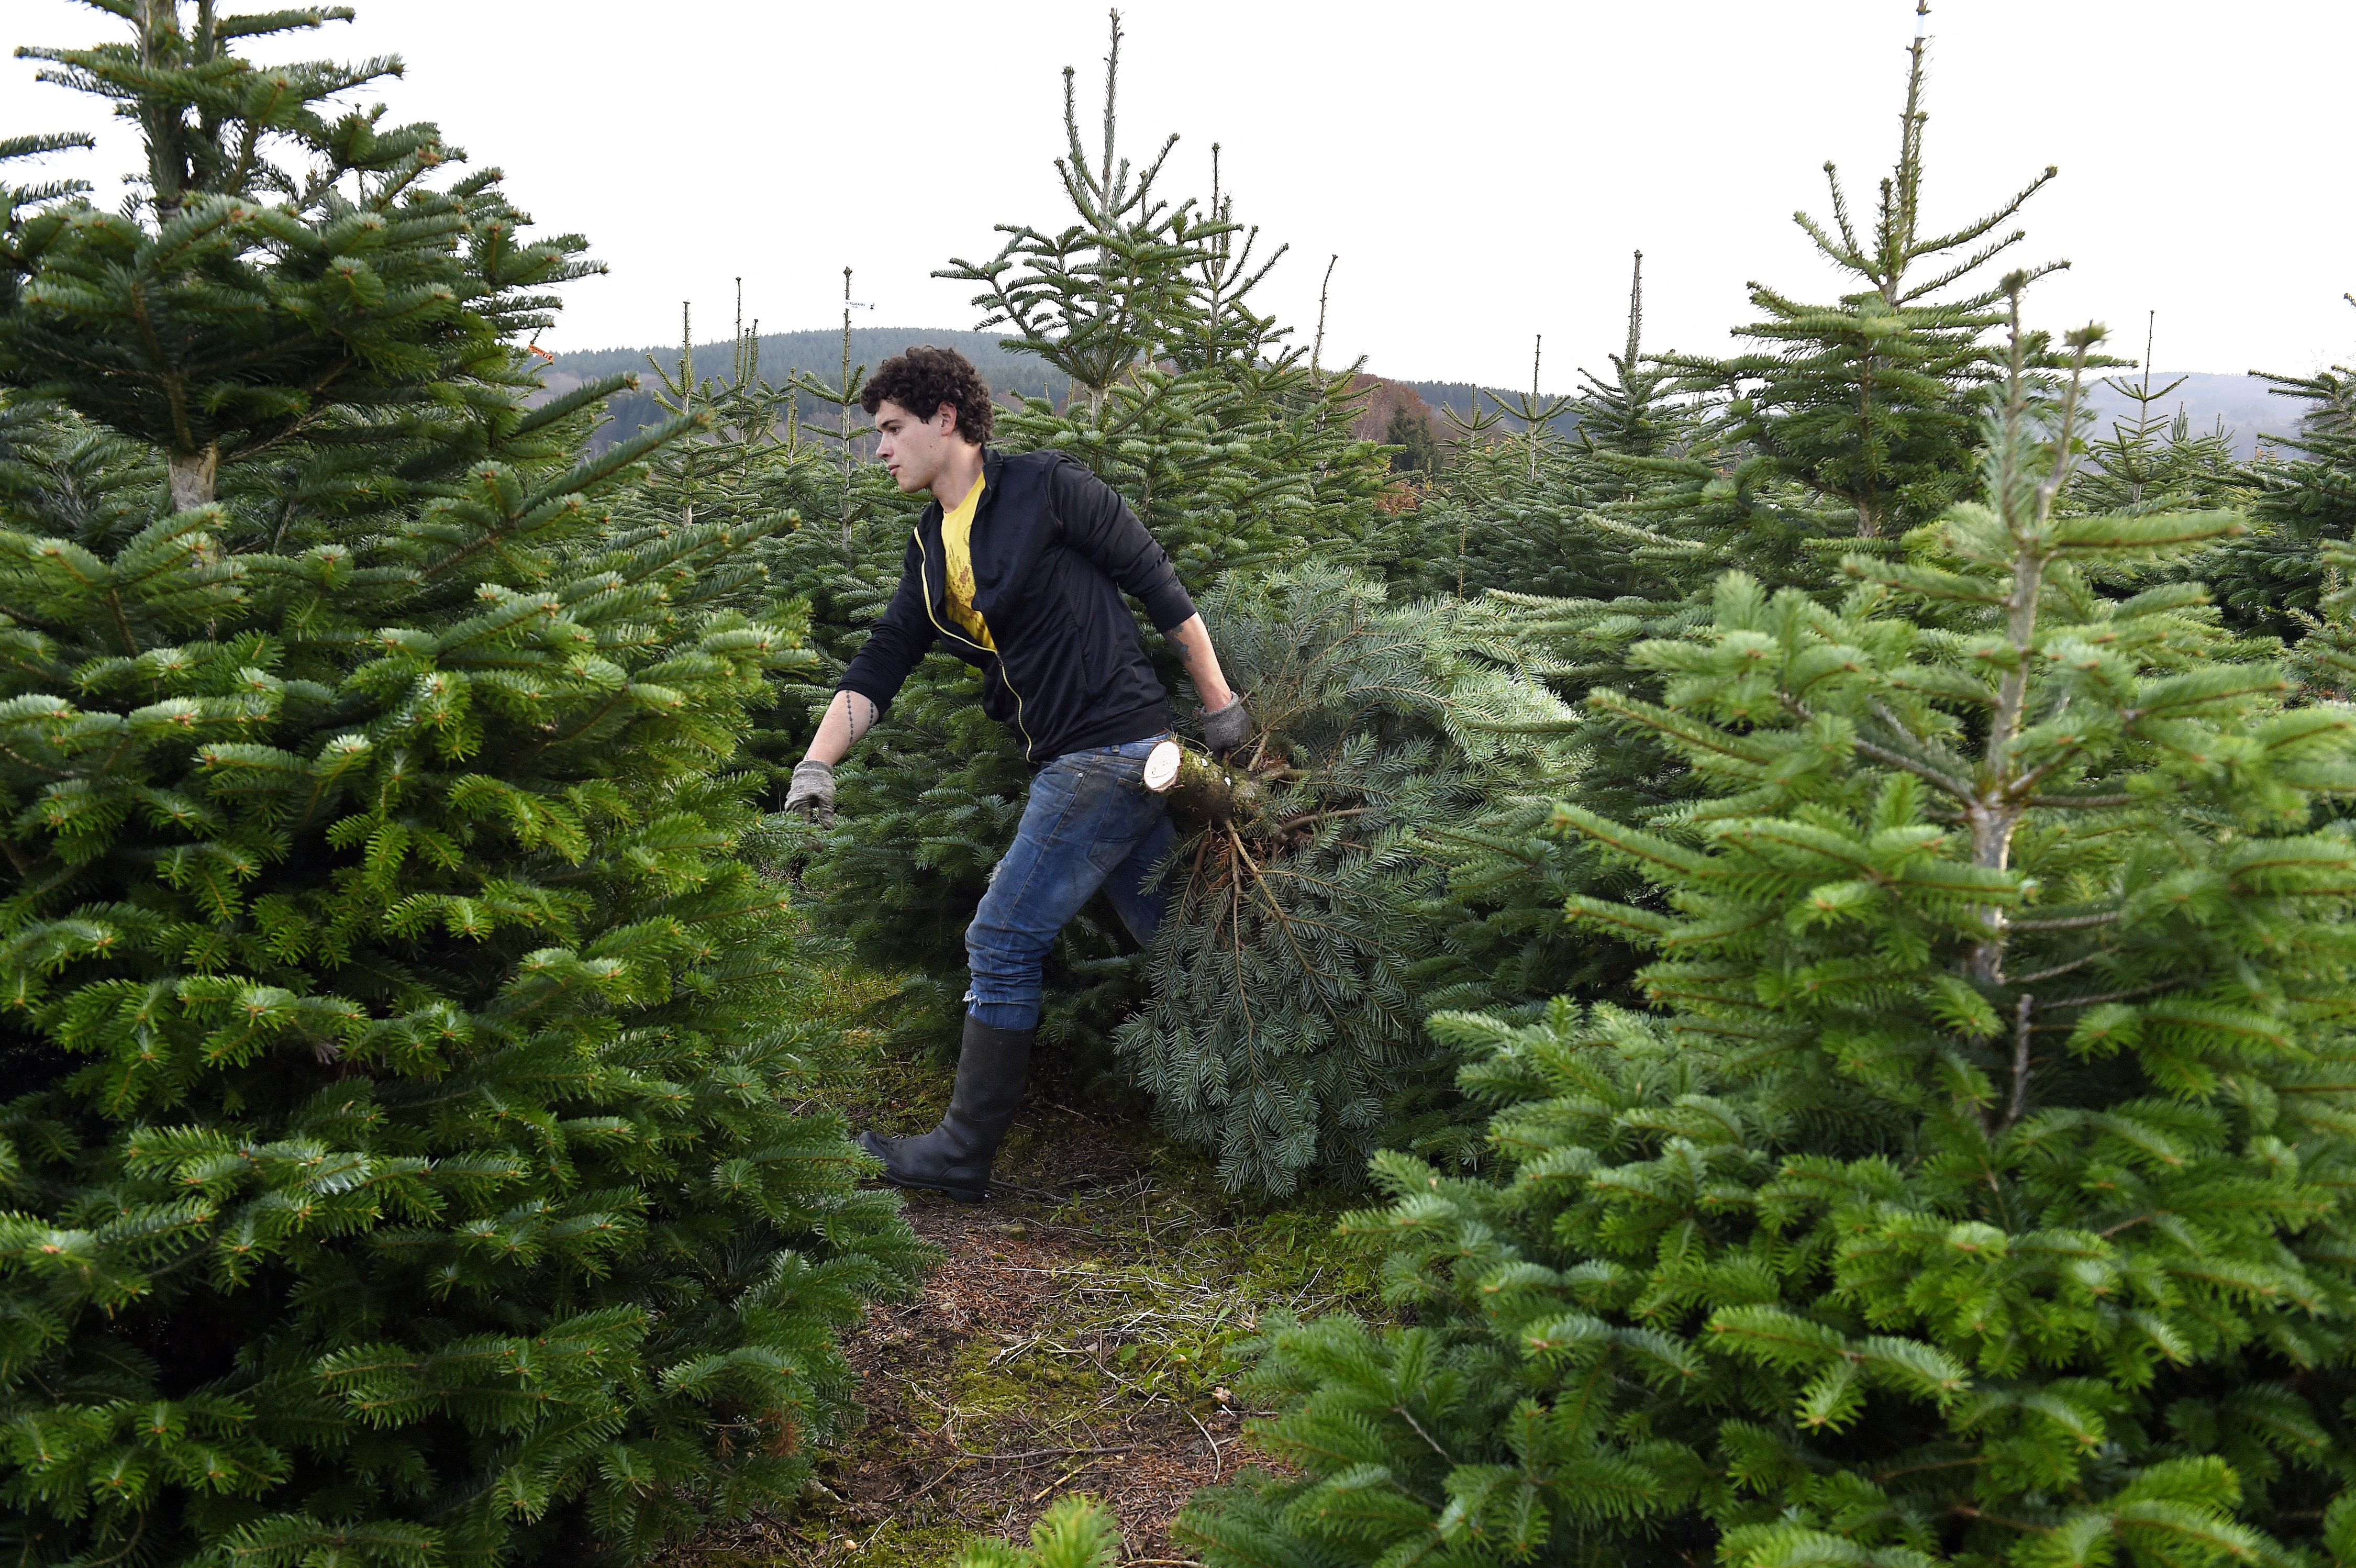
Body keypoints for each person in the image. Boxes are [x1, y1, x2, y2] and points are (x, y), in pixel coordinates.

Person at [783, 346, 1251, 1202]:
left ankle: (962, 1154)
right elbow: (881, 662)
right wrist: (817, 762)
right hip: (1084, 758)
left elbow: (1159, 586)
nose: (880, 449)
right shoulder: (932, 552)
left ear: (945, 420)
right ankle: (1267, 1095)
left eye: (891, 430)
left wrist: (1221, 707)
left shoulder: (1045, 487)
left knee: (1001, 938)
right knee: (1177, 940)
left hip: (1109, 751)